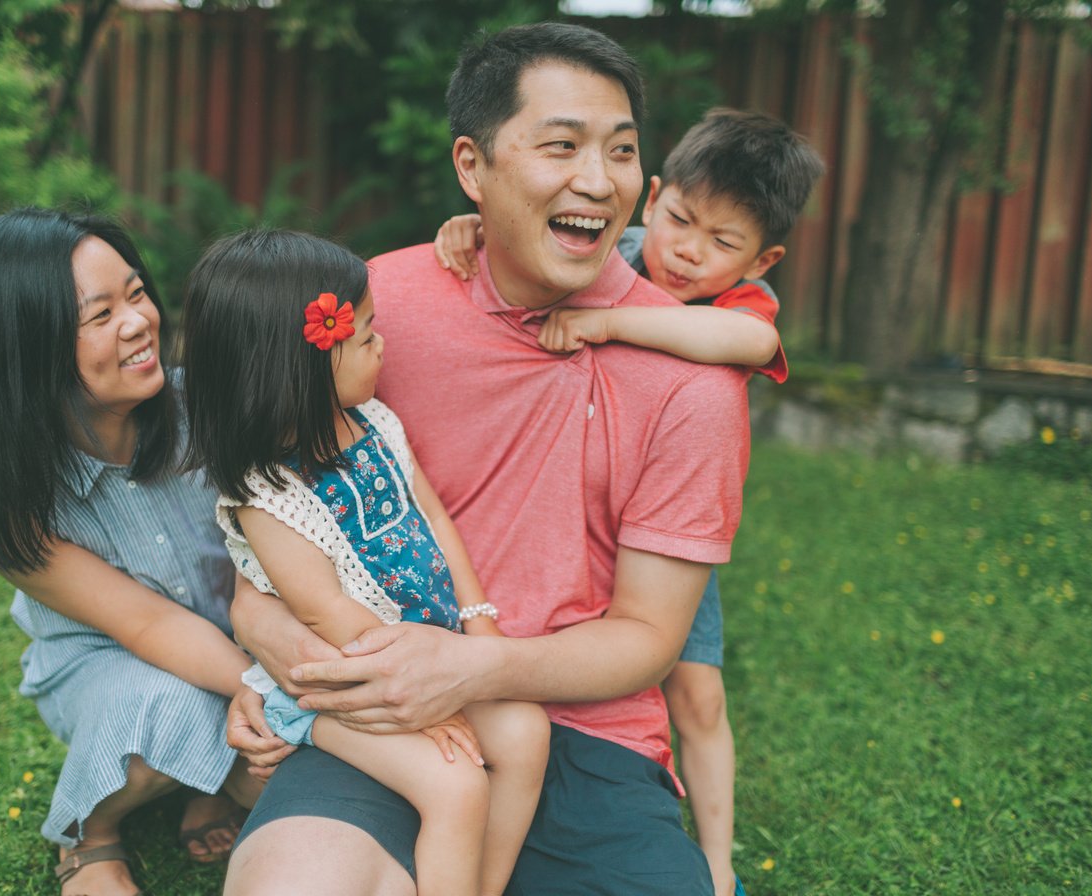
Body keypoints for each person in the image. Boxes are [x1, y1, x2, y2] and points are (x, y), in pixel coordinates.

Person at [223, 22, 751, 896]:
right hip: (387, 710)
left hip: (593, 737)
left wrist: (473, 665)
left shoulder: (694, 383)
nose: (598, 179)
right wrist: (281, 650)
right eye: (561, 145)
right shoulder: (368, 313)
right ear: (473, 167)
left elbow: (652, 637)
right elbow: (272, 508)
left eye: (621, 151)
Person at [433, 107, 826, 896]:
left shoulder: (741, 307)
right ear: (651, 197)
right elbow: (529, 232)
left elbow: (747, 348)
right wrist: (468, 228)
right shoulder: (614, 247)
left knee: (697, 691)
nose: (687, 251)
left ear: (764, 258)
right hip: (581, 513)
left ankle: (716, 864)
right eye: (680, 219)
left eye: (723, 244)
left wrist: (612, 321)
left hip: (674, 530)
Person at [177, 228, 550, 896]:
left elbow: (432, 517)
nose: (384, 344)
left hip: (430, 656)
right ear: (307, 362)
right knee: (456, 783)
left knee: (525, 732)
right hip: (338, 686)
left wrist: (478, 627)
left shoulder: (376, 422)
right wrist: (425, 702)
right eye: (368, 334)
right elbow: (324, 610)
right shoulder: (267, 493)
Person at [0, 207, 261, 896]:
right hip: (111, 664)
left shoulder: (204, 409)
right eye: (100, 314)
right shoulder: (10, 507)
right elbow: (149, 627)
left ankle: (209, 778)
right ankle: (94, 830)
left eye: (137, 292)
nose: (139, 321)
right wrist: (262, 692)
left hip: (243, 632)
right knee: (171, 707)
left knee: (266, 744)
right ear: (28, 350)